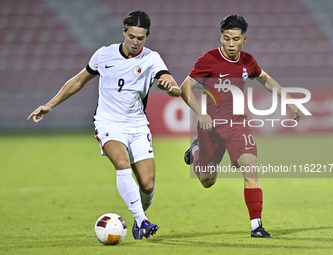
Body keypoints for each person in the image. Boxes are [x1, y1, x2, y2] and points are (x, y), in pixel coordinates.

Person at [27, 10, 181, 239]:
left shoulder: (151, 58)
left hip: (137, 125)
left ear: (147, 36)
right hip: (108, 122)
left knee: (147, 186)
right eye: (131, 36)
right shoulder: (104, 55)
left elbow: (174, 87)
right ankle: (143, 221)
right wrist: (50, 104)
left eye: (141, 38)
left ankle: (140, 216)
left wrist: (170, 86)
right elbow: (79, 80)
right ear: (124, 32)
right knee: (121, 162)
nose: (135, 42)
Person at [180, 14, 301, 238]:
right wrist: (201, 112)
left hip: (237, 125)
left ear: (244, 39)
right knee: (208, 181)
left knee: (250, 167)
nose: (231, 44)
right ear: (221, 37)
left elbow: (265, 79)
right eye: (226, 38)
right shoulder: (208, 59)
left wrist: (290, 102)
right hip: (211, 128)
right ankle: (196, 151)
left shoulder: (248, 61)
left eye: (236, 39)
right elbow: (185, 88)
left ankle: (256, 226)